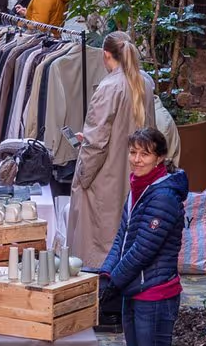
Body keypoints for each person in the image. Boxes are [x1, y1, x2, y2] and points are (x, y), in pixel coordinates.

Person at [98, 126, 189, 346]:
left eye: (145, 154)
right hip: (135, 292)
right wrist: (106, 274)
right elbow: (122, 237)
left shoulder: (163, 196)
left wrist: (113, 284)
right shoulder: (139, 189)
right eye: (133, 153)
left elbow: (142, 251)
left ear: (160, 158)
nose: (136, 160)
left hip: (155, 295)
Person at [67, 36, 180, 310]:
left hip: (105, 178)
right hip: (137, 176)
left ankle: (102, 303)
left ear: (107, 55)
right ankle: (122, 298)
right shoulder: (144, 82)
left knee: (100, 242)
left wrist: (82, 176)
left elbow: (96, 142)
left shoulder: (109, 87)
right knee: (127, 239)